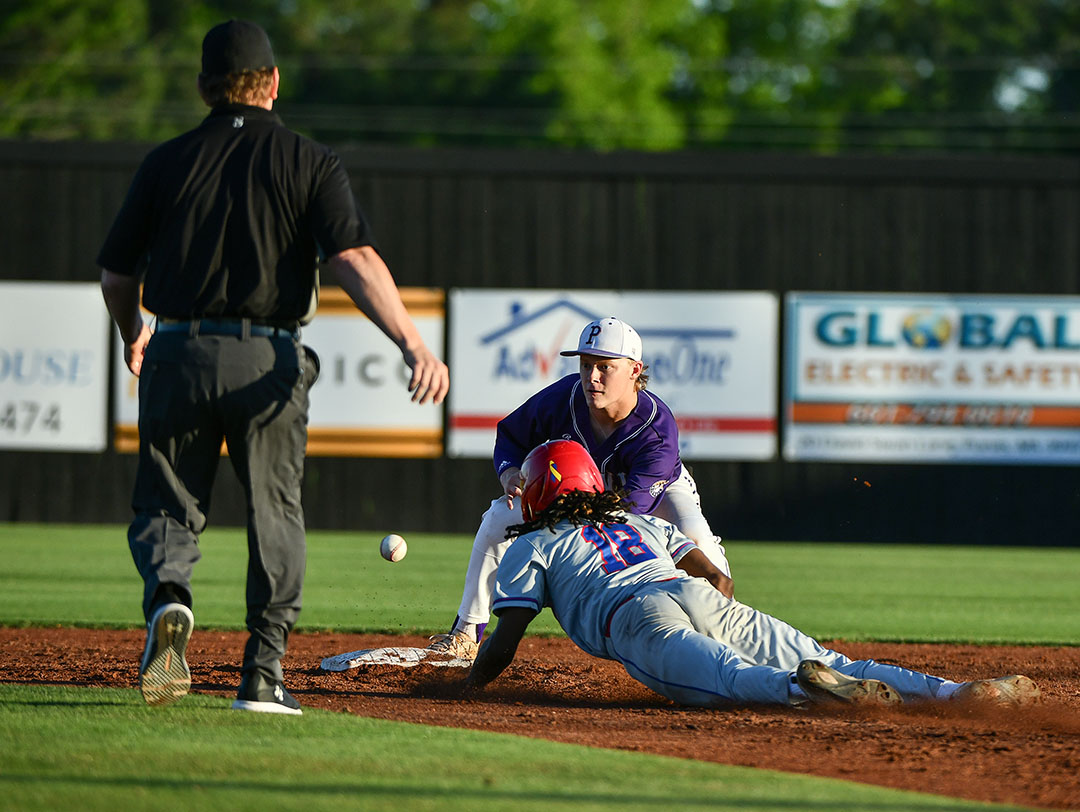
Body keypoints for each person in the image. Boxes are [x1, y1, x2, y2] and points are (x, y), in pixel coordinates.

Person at [98, 20, 449, 715]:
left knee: (168, 503)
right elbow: (353, 259)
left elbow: (114, 273)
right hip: (268, 356)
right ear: (274, 83)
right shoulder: (308, 160)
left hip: (178, 351)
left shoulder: (165, 162)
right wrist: (413, 343)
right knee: (274, 511)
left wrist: (133, 329)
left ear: (204, 87)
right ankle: (262, 675)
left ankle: (171, 599)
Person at [463, 440, 1041, 709]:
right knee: (832, 658)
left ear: (538, 492)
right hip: (687, 588)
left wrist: (466, 685)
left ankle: (803, 692)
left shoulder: (530, 545)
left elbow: (505, 642)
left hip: (634, 617)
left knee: (730, 680)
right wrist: (713, 613)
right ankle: (958, 691)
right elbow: (717, 579)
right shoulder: (639, 522)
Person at [428, 316, 731, 660]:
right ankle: (466, 633)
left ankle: (727, 634)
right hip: (577, 487)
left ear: (635, 371)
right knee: (500, 516)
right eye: (586, 365)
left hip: (654, 494)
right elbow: (510, 435)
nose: (592, 377)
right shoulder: (565, 397)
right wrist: (510, 473)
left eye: (605, 367)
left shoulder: (656, 431)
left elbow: (628, 515)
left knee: (694, 538)